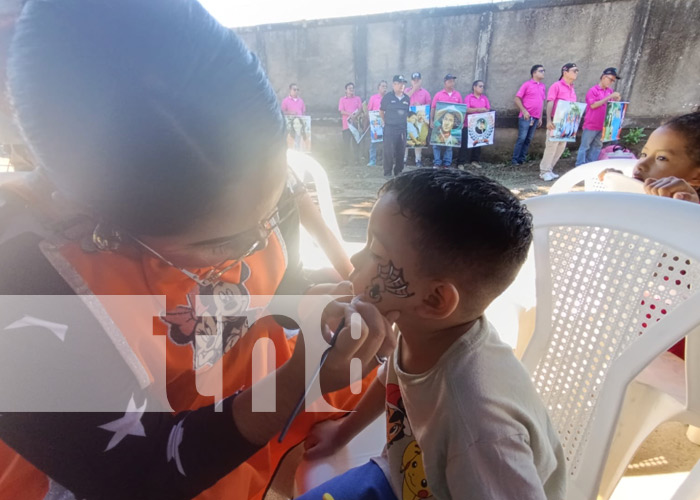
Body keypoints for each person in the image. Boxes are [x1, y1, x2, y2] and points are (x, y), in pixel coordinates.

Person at [0, 1, 397, 499]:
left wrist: (311, 307)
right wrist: (294, 382)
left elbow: (274, 279)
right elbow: (136, 475)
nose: (258, 239)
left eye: (273, 208)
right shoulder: (16, 283)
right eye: (219, 244)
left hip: (238, 422)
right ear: (102, 217)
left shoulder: (243, 172)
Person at [298, 169, 567, 500]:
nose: (354, 258)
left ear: (434, 299)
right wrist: (343, 432)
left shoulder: (479, 427)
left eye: (376, 254)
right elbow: (392, 377)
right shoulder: (426, 334)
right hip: (399, 476)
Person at [539, 62, 579, 182]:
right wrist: (549, 120)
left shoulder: (572, 88)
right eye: (574, 70)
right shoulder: (556, 86)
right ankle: (544, 171)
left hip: (567, 123)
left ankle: (550, 169)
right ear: (565, 72)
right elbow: (550, 102)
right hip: (556, 121)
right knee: (551, 147)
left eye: (577, 71)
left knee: (561, 147)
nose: (576, 73)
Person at [576, 67, 622, 166]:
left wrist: (616, 100)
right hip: (591, 124)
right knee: (585, 146)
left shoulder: (609, 91)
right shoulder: (593, 90)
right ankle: (579, 165)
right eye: (610, 79)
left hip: (603, 125)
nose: (611, 82)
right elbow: (593, 105)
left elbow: (612, 107)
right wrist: (609, 97)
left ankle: (590, 165)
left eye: (613, 81)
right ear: (604, 77)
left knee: (597, 146)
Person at [512, 64, 546, 165]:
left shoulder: (543, 86)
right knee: (522, 138)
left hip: (536, 117)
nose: (543, 72)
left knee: (528, 139)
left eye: (544, 71)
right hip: (526, 116)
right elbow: (517, 98)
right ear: (534, 73)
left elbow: (542, 101)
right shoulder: (527, 84)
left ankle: (522, 160)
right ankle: (514, 160)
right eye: (541, 71)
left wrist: (540, 117)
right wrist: (524, 111)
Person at [380, 75, 411, 178]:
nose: (402, 86)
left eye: (403, 83)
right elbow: (381, 111)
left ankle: (398, 171)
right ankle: (387, 172)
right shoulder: (387, 97)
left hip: (402, 129)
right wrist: (386, 122)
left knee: (401, 151)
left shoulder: (407, 98)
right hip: (390, 128)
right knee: (388, 151)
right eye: (400, 83)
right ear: (394, 84)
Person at [457, 79, 491, 169]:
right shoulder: (468, 98)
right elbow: (466, 109)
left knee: (478, 143)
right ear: (474, 87)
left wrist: (484, 111)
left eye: (483, 86)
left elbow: (488, 110)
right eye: (480, 86)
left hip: (479, 125)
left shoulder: (484, 98)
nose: (482, 88)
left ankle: (474, 161)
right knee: (464, 144)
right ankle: (460, 162)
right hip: (468, 124)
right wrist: (478, 110)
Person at [431, 74, 462, 168]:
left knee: (450, 145)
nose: (452, 83)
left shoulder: (458, 95)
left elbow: (461, 109)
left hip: (452, 125)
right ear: (445, 83)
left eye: (453, 81)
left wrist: (461, 124)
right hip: (439, 123)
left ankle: (447, 164)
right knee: (436, 144)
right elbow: (433, 108)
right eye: (450, 81)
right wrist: (431, 120)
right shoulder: (438, 95)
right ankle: (437, 162)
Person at [404, 72, 431, 167]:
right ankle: (403, 159)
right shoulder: (406, 90)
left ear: (421, 80)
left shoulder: (425, 93)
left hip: (420, 120)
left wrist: (420, 107)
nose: (416, 82)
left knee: (419, 139)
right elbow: (404, 99)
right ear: (411, 81)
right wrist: (414, 89)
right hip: (407, 119)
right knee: (406, 138)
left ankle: (418, 159)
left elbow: (428, 107)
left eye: (418, 80)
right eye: (414, 80)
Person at [338, 82, 363, 166]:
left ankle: (357, 160)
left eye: (353, 88)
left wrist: (355, 116)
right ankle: (345, 161)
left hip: (355, 124)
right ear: (346, 90)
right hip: (346, 125)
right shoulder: (342, 99)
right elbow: (341, 111)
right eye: (349, 88)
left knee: (356, 143)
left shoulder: (358, 98)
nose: (351, 90)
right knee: (346, 144)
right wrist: (350, 115)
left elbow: (360, 109)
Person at [366, 80, 387, 167]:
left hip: (385, 123)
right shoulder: (373, 98)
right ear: (378, 88)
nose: (384, 88)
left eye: (386, 86)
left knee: (385, 143)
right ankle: (372, 160)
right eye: (382, 86)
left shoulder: (388, 98)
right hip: (374, 124)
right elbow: (369, 110)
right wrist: (370, 121)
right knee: (373, 143)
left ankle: (384, 161)